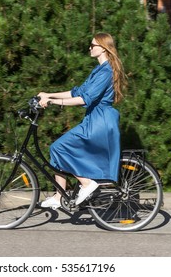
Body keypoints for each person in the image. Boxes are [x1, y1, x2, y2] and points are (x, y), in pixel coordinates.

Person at [38, 32, 127, 208]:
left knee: (58, 147)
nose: (90, 48)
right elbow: (77, 92)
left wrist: (54, 102)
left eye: (92, 45)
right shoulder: (99, 70)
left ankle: (86, 183)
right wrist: (49, 94)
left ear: (103, 48)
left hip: (100, 122)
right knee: (60, 149)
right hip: (94, 119)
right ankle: (58, 196)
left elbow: (85, 99)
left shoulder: (106, 71)